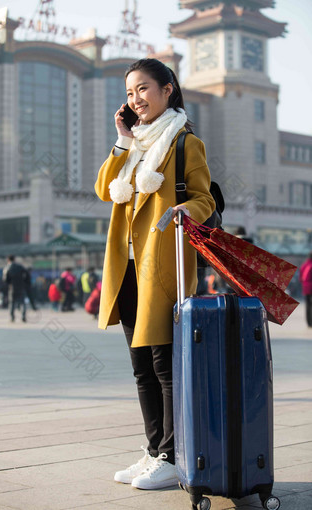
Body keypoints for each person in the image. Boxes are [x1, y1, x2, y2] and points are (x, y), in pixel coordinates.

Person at [95, 58, 215, 490]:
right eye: (129, 93)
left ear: (167, 89)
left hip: (161, 264)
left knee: (165, 365)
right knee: (141, 365)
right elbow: (103, 187)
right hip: (126, 266)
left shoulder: (185, 143)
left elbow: (205, 199)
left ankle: (170, 454)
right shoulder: (134, 143)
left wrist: (187, 208)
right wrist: (122, 140)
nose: (135, 99)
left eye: (143, 89)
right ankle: (154, 451)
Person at [3, 255, 27, 322]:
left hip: (12, 287)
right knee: (22, 303)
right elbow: (26, 274)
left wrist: (9, 283)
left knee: (12, 303)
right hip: (21, 287)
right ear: (14, 259)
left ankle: (12, 317)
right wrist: (24, 282)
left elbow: (5, 279)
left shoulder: (7, 268)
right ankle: (23, 316)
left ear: (8, 260)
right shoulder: (20, 267)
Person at [299, 252, 312, 327]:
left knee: (308, 305)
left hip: (306, 287)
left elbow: (301, 277)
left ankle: (309, 322)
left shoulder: (304, 265)